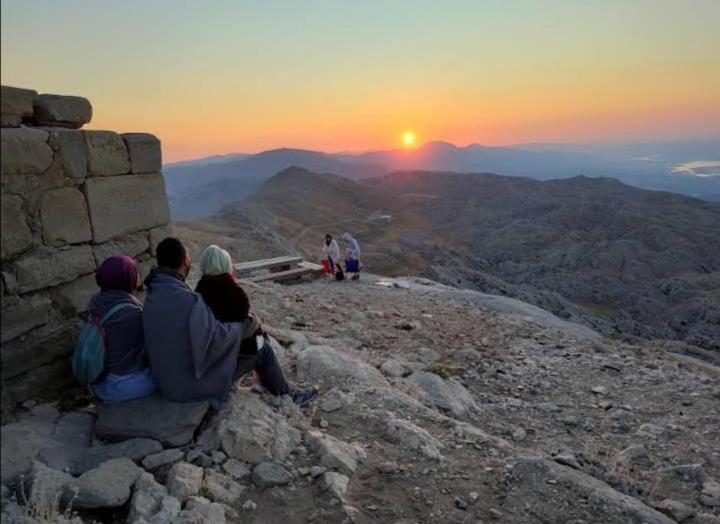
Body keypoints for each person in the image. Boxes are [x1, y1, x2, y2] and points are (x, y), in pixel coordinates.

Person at [143, 238, 317, 407]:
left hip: (166, 382)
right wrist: (247, 326)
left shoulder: (152, 296)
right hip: (190, 387)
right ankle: (290, 396)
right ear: (185, 261)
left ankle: (268, 382)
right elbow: (215, 340)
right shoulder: (189, 301)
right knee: (262, 349)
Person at [88, 255, 155, 403]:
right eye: (135, 273)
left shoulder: (96, 303)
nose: (138, 276)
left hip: (102, 384)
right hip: (126, 386)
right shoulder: (132, 313)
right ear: (127, 279)